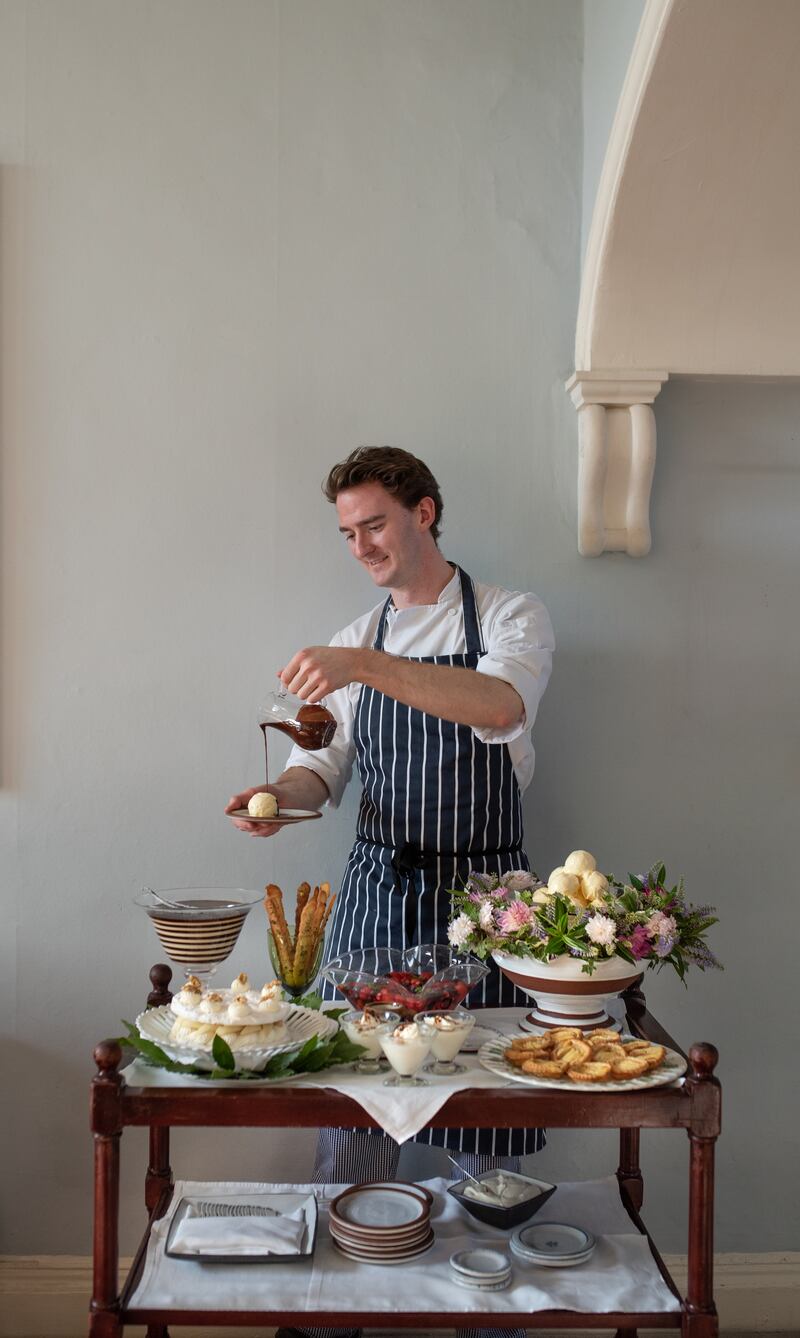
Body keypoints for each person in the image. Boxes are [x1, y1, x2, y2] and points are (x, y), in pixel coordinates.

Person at [226, 446, 555, 1338]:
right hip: (377, 894)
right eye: (347, 532)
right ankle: (342, 1312)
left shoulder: (513, 618)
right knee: (355, 1105)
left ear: (426, 512)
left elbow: (497, 706)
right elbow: (318, 770)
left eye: (374, 523)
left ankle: (487, 1313)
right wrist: (276, 806)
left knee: (483, 1118)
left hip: (488, 907)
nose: (362, 545)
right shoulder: (353, 640)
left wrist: (359, 666)